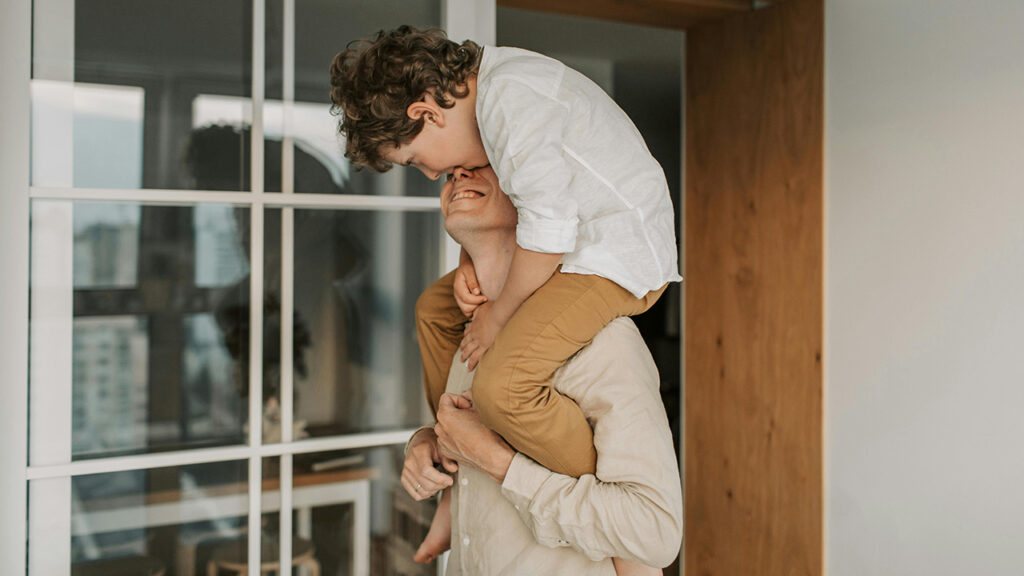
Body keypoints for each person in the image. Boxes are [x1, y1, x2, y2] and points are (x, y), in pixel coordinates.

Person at [329, 26, 682, 481]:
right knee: (435, 311)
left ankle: (608, 485)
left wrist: (497, 315)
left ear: (426, 114)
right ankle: (450, 445)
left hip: (615, 259)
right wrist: (468, 262)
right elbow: (509, 203)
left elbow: (549, 230)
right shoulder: (488, 93)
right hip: (568, 250)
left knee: (506, 385)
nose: (432, 173)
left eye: (415, 160)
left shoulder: (511, 99)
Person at [402, 165, 682, 574]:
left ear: (535, 201)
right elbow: (467, 437)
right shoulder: (467, 333)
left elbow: (654, 532)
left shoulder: (604, 341)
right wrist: (428, 442)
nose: (459, 173)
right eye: (450, 174)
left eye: (487, 164)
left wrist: (500, 464)